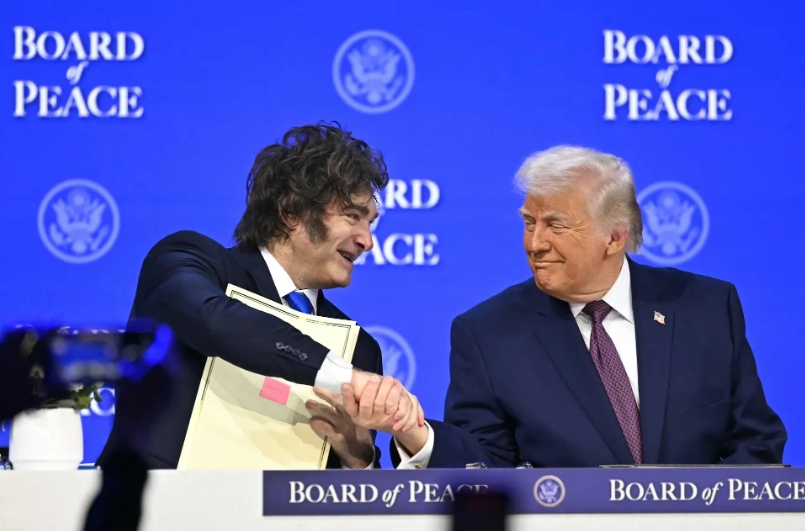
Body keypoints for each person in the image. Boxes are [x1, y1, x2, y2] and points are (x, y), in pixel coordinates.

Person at [350, 145, 787, 468]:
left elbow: (756, 442)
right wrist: (417, 435)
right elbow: (483, 467)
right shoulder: (488, 334)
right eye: (529, 223)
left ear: (614, 236)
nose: (535, 243)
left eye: (556, 225)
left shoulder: (704, 308)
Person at [98, 122, 422, 471]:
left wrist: (358, 457)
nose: (367, 241)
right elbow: (214, 320)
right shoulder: (189, 262)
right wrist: (345, 377)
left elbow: (355, 497)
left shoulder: (359, 349)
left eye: (369, 224)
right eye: (352, 216)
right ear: (292, 213)